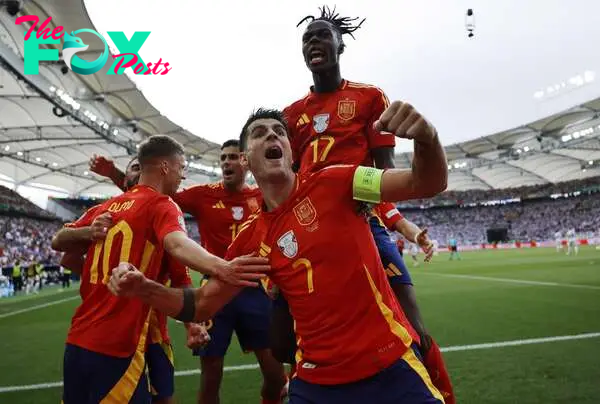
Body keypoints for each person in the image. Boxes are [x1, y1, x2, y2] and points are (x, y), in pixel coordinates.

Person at [108, 103, 448, 403]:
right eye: (259, 133)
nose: (272, 137)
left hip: (389, 365)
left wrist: (427, 137)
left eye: (279, 133)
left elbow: (425, 182)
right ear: (245, 158)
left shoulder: (342, 181)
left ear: (290, 149)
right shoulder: (250, 239)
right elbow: (202, 304)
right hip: (316, 382)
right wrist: (144, 289)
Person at [280, 7, 452, 401]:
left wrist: (397, 224)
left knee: (411, 321)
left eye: (321, 35)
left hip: (360, 221)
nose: (313, 43)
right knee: (288, 340)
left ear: (340, 44)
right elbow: (288, 183)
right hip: (307, 232)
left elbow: (387, 175)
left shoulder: (369, 98)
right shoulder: (291, 116)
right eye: (307, 39)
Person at [51, 135, 269, 404]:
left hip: (79, 337)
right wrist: (223, 267)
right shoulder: (162, 205)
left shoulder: (104, 208)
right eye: (182, 167)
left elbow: (62, 247)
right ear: (166, 166)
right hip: (120, 342)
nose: (182, 175)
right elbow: (177, 244)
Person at [60, 156, 209, 404]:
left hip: (152, 330)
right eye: (134, 168)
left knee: (163, 396)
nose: (139, 173)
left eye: (142, 167)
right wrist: (103, 282)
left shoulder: (157, 210)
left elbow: (180, 276)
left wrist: (189, 324)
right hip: (116, 331)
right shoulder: (105, 212)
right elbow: (67, 256)